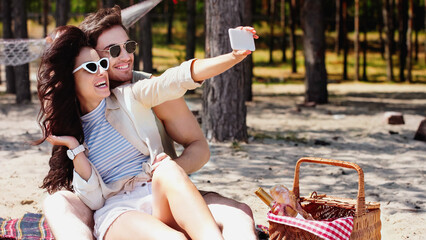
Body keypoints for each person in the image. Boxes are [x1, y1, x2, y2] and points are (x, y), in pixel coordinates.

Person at [37, 25, 255, 240]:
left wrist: (233, 57)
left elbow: (175, 79)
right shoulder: (73, 131)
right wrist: (75, 149)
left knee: (168, 168)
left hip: (159, 194)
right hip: (120, 209)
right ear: (70, 80)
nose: (102, 71)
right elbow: (93, 200)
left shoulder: (129, 96)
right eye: (91, 67)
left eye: (102, 64)